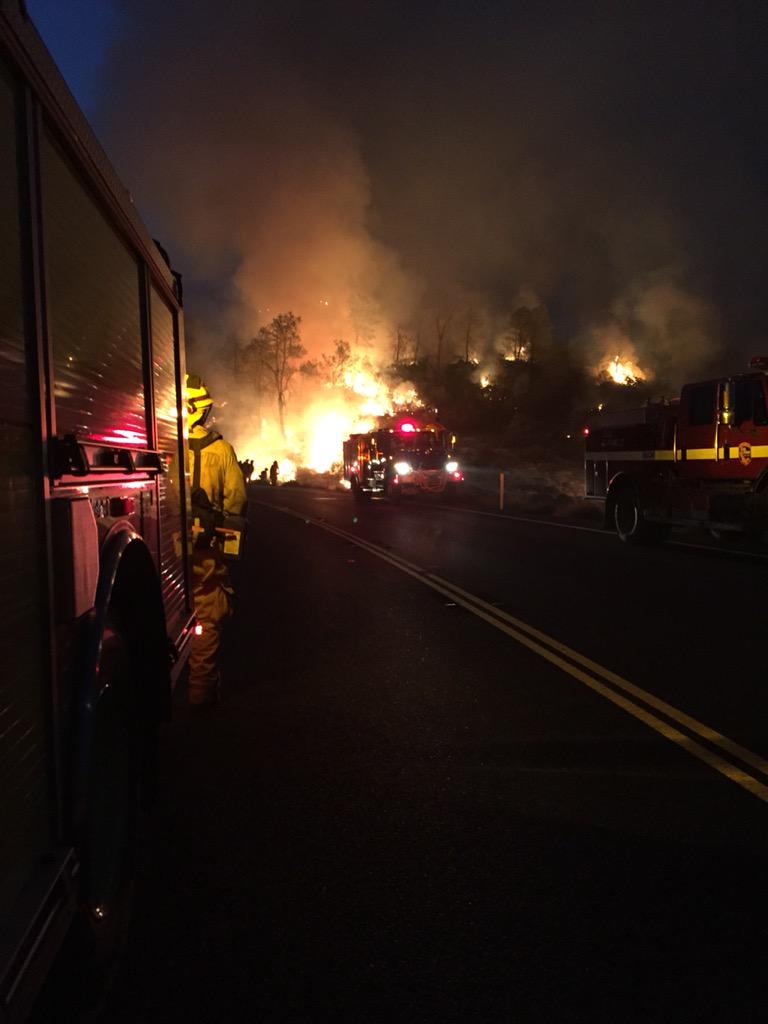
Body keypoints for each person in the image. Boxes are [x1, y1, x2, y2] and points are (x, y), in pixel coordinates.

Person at [185, 373, 247, 708]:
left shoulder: (161, 446)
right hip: (205, 552)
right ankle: (200, 694)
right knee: (207, 616)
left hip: (165, 549)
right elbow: (235, 503)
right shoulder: (221, 451)